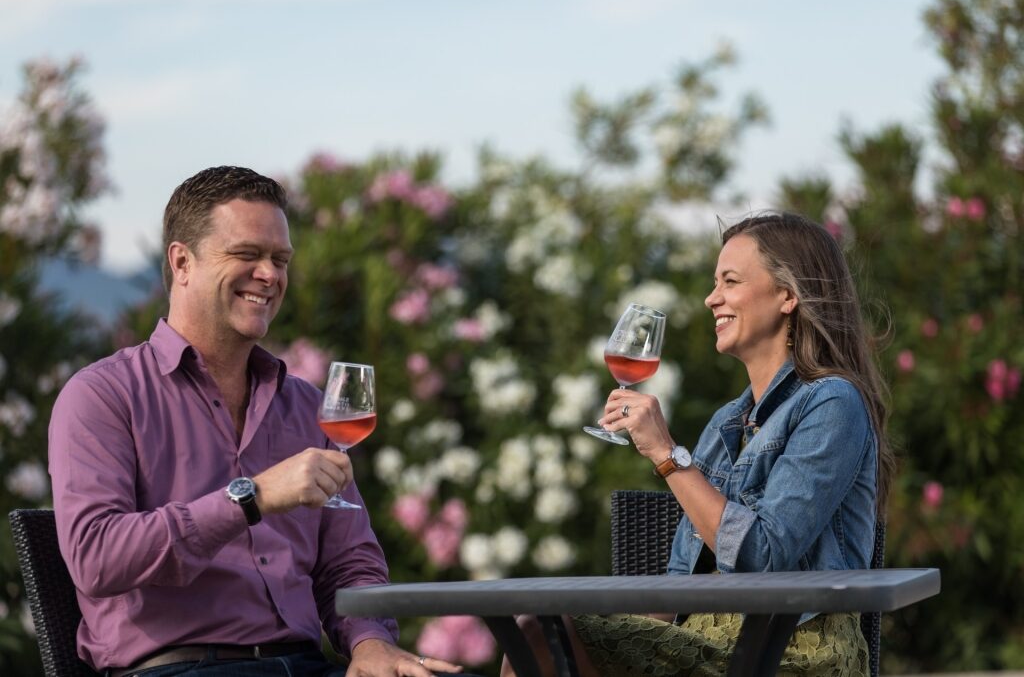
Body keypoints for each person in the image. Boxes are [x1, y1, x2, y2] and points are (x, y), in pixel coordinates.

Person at [48, 166, 469, 677]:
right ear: (182, 262)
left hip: (307, 665)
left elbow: (350, 561)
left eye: (280, 259)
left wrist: (369, 643)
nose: (270, 275)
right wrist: (250, 498)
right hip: (181, 669)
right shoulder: (102, 396)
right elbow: (96, 557)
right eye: (247, 255)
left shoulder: (307, 407)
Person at [502, 211, 896, 677]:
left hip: (790, 650)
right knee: (535, 635)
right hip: (702, 643)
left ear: (787, 296)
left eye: (730, 281)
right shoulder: (726, 421)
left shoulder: (833, 403)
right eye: (714, 283)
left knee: (540, 635)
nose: (712, 299)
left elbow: (764, 558)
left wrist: (667, 455)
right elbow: (678, 585)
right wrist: (624, 640)